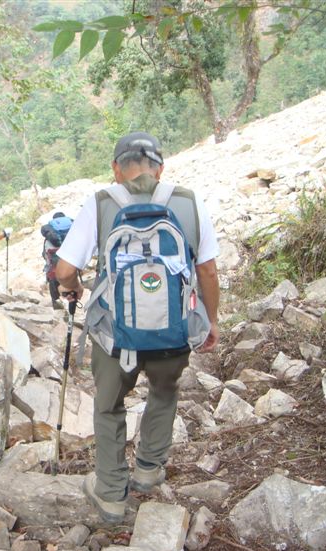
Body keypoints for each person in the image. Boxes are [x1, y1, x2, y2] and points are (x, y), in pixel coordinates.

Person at [55, 132, 220, 523]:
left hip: (115, 337)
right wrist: (211, 320)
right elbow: (208, 271)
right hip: (173, 332)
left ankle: (112, 494)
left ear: (116, 169)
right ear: (160, 168)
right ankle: (148, 469)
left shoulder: (100, 203)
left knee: (109, 406)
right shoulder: (188, 202)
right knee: (164, 392)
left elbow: (63, 270)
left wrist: (74, 288)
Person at [40, 211, 73, 308]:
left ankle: (56, 304)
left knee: (53, 280)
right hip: (70, 265)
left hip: (55, 268)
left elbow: (45, 254)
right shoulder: (71, 227)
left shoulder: (50, 235)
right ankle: (72, 306)